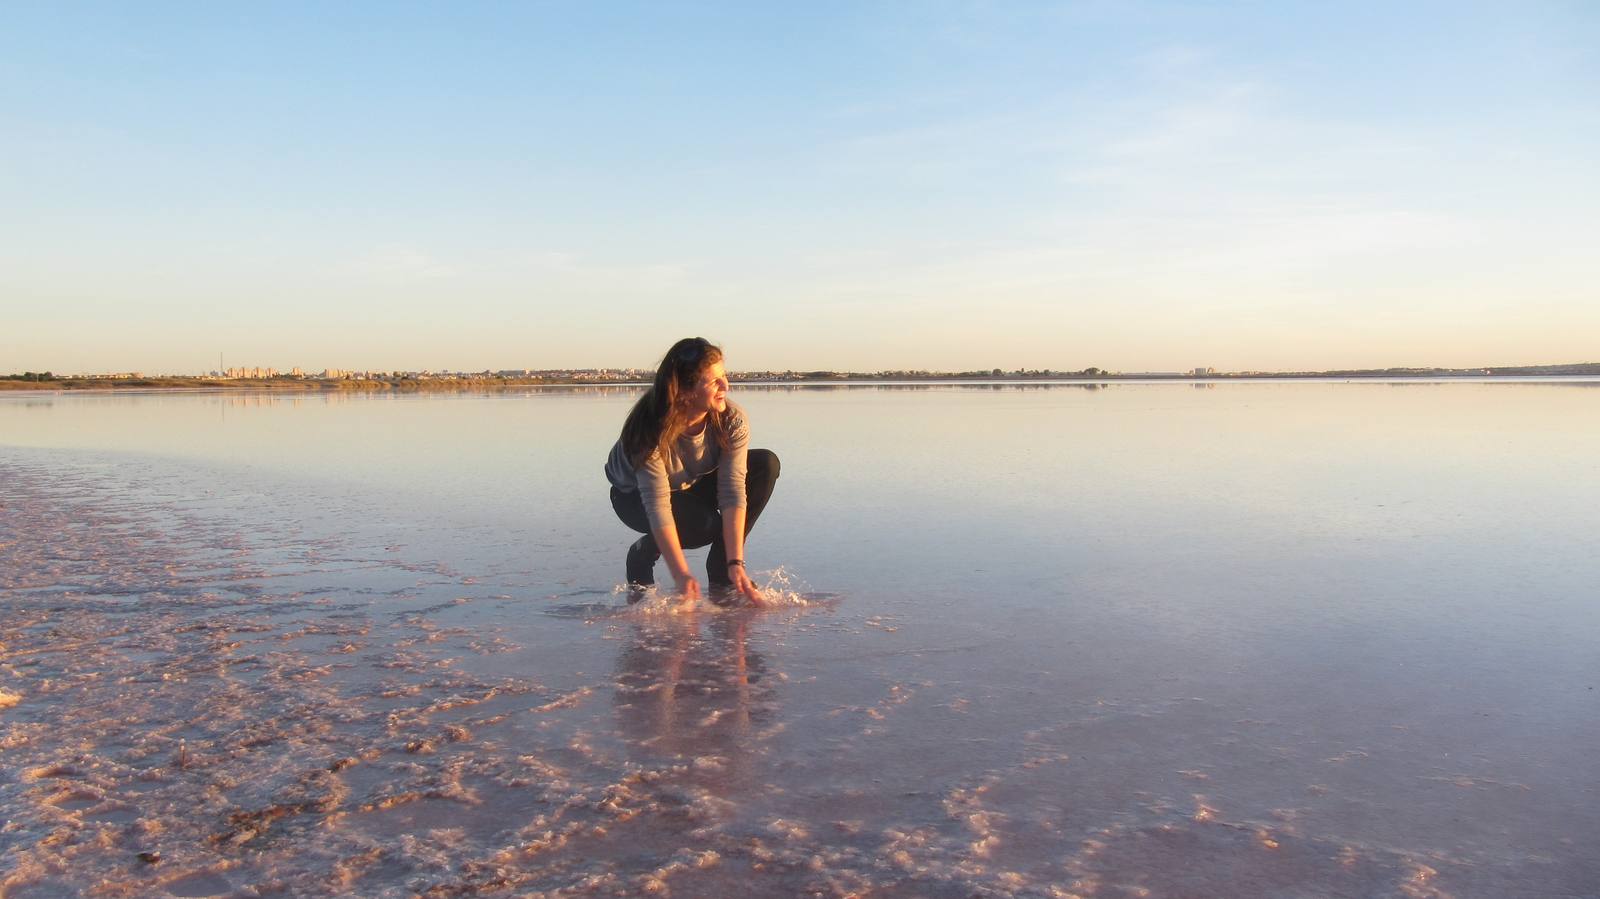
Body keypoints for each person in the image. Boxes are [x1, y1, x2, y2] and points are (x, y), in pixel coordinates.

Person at [605, 337, 780, 603]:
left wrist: (735, 562)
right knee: (705, 525)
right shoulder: (648, 433)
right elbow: (658, 504)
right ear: (684, 392)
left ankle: (723, 572)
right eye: (713, 381)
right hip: (632, 497)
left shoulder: (731, 420)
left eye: (724, 376)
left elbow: (732, 491)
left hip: (689, 483)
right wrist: (681, 574)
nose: (726, 386)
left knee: (765, 464)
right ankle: (642, 551)